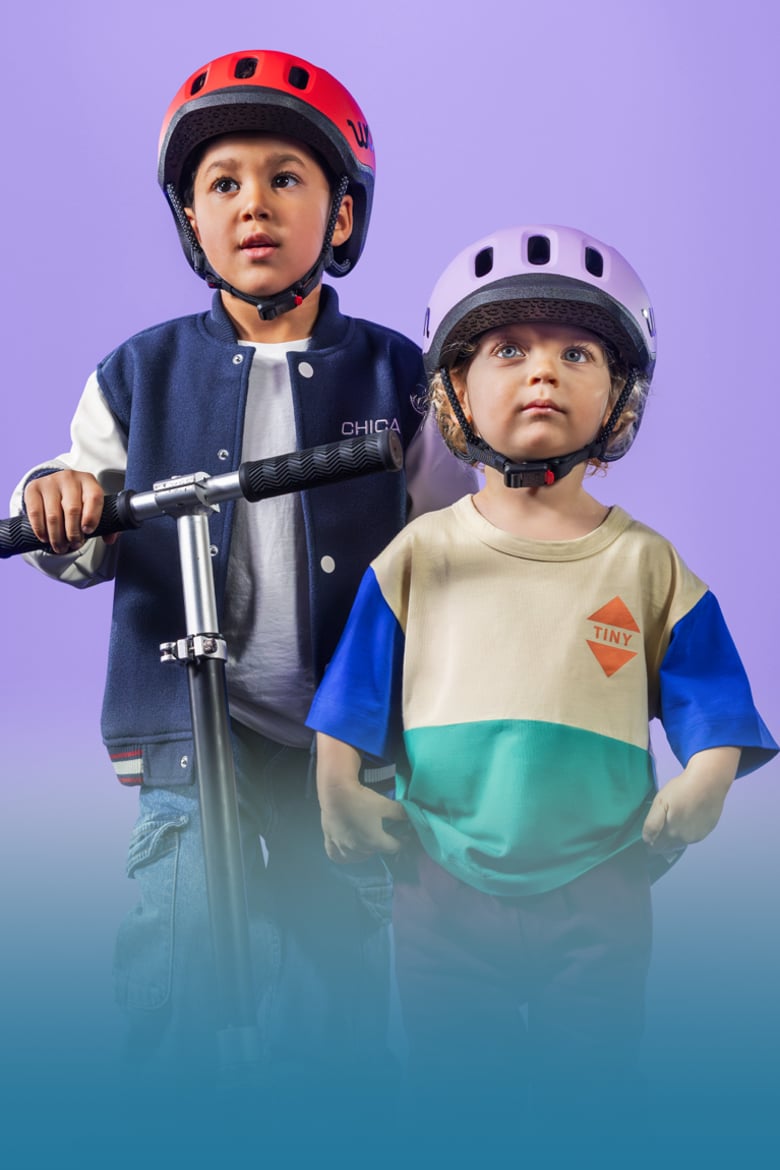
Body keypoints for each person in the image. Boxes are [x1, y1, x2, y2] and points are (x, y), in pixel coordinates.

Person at [10, 49, 476, 1099]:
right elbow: (77, 519)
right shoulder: (139, 373)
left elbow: (454, 543)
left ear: (340, 218)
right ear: (191, 220)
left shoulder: (399, 377)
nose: (252, 205)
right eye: (222, 184)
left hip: (338, 751)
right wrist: (58, 500)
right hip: (188, 736)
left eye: (285, 179)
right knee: (175, 979)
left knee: (334, 1004)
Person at [308, 224, 778, 1132]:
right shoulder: (416, 556)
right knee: (454, 1096)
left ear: (621, 395)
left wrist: (709, 774)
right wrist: (335, 784)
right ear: (454, 392)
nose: (543, 372)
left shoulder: (647, 564)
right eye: (507, 350)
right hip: (439, 879)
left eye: (578, 352)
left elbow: (713, 698)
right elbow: (354, 693)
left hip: (601, 880)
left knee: (591, 1093)